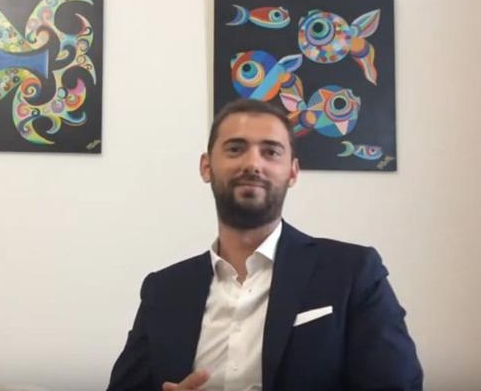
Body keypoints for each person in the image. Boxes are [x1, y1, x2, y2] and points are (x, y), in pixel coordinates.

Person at [107, 99, 423, 391]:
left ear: (292, 172)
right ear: (207, 167)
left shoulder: (353, 273)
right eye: (235, 149)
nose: (253, 164)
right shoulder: (163, 290)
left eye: (271, 152)